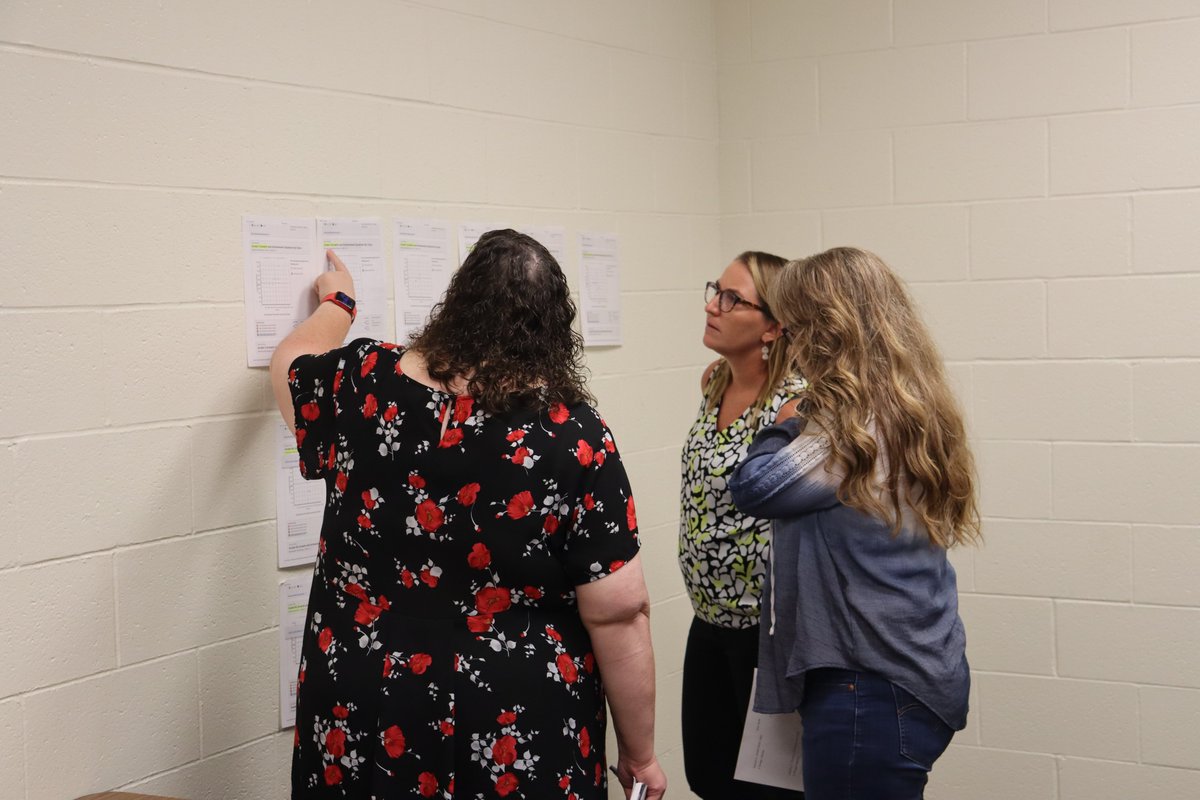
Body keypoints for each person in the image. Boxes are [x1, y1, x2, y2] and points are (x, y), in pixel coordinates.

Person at [269, 229, 666, 800]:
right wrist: (640, 753)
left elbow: (290, 362)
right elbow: (619, 613)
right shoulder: (573, 438)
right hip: (514, 725)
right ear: (554, 331)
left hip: (364, 707)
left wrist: (339, 304)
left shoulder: (363, 384)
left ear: (457, 304)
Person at [729, 247, 981, 800]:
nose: (781, 340)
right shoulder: (905, 405)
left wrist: (783, 423)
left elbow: (754, 488)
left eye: (792, 326)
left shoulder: (855, 431)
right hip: (900, 678)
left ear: (826, 330)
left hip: (870, 688)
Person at [678, 251, 806, 800]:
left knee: (768, 791)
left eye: (733, 299)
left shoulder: (794, 404)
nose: (714, 305)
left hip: (766, 635)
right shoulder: (713, 383)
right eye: (715, 290)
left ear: (773, 326)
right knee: (707, 778)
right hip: (708, 620)